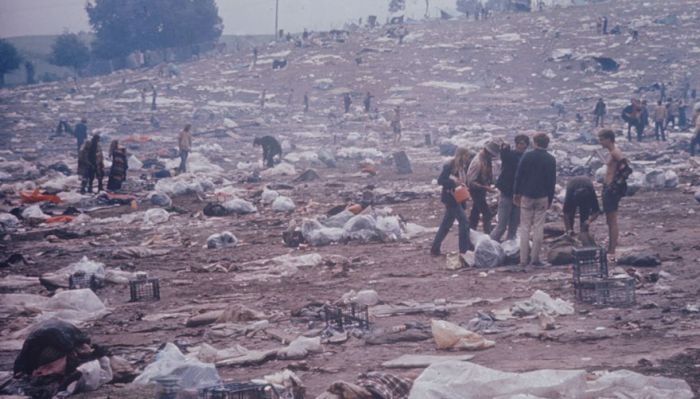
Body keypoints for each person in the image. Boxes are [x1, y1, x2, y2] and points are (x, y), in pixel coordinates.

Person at [514, 133, 556, 268]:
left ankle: (523, 260)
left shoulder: (527, 156)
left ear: (535, 143)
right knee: (539, 227)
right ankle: (535, 259)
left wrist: (516, 192)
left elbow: (519, 175)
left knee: (525, 227)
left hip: (527, 195)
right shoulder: (551, 159)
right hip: (543, 196)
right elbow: (552, 181)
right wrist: (550, 197)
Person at [430, 147, 474, 257]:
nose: (468, 158)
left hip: (458, 197)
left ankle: (435, 248)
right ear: (462, 155)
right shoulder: (450, 166)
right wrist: (453, 183)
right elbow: (440, 181)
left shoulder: (462, 167)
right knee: (463, 222)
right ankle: (464, 250)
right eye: (466, 156)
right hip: (451, 199)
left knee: (446, 224)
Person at [598, 129, 631, 263]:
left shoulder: (615, 152)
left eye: (601, 139)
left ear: (608, 139)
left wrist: (614, 185)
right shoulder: (612, 153)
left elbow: (627, 169)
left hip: (611, 190)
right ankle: (610, 248)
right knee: (609, 219)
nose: (600, 142)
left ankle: (611, 250)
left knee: (612, 220)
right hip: (609, 188)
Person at [490, 134, 529, 242]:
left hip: (519, 195)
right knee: (501, 226)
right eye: (521, 143)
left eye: (525, 144)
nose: (523, 146)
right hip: (507, 193)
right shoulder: (510, 155)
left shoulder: (526, 158)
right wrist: (505, 147)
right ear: (516, 144)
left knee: (513, 227)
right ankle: (487, 247)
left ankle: (510, 248)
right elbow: (504, 155)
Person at [467, 141, 499, 234]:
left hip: (481, 189)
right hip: (476, 190)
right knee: (487, 213)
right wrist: (485, 187)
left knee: (475, 213)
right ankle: (488, 236)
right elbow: (471, 182)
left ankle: (469, 235)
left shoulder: (486, 159)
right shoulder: (477, 162)